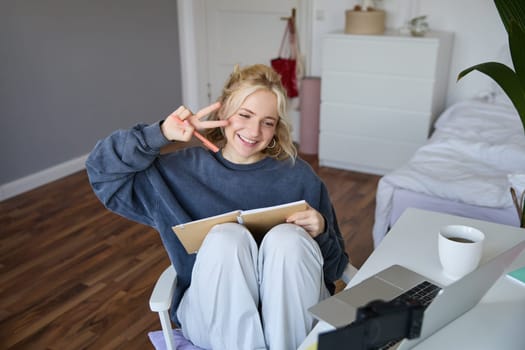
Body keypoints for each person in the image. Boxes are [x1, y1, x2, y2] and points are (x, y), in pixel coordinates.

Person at [86, 64, 349, 350]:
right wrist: (160, 133)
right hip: (212, 316)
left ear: (276, 129)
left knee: (287, 239)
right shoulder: (179, 172)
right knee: (226, 238)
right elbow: (102, 172)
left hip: (294, 318)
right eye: (245, 115)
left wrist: (321, 230)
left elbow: (335, 269)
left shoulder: (298, 177)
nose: (254, 130)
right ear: (223, 114)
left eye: (267, 122)